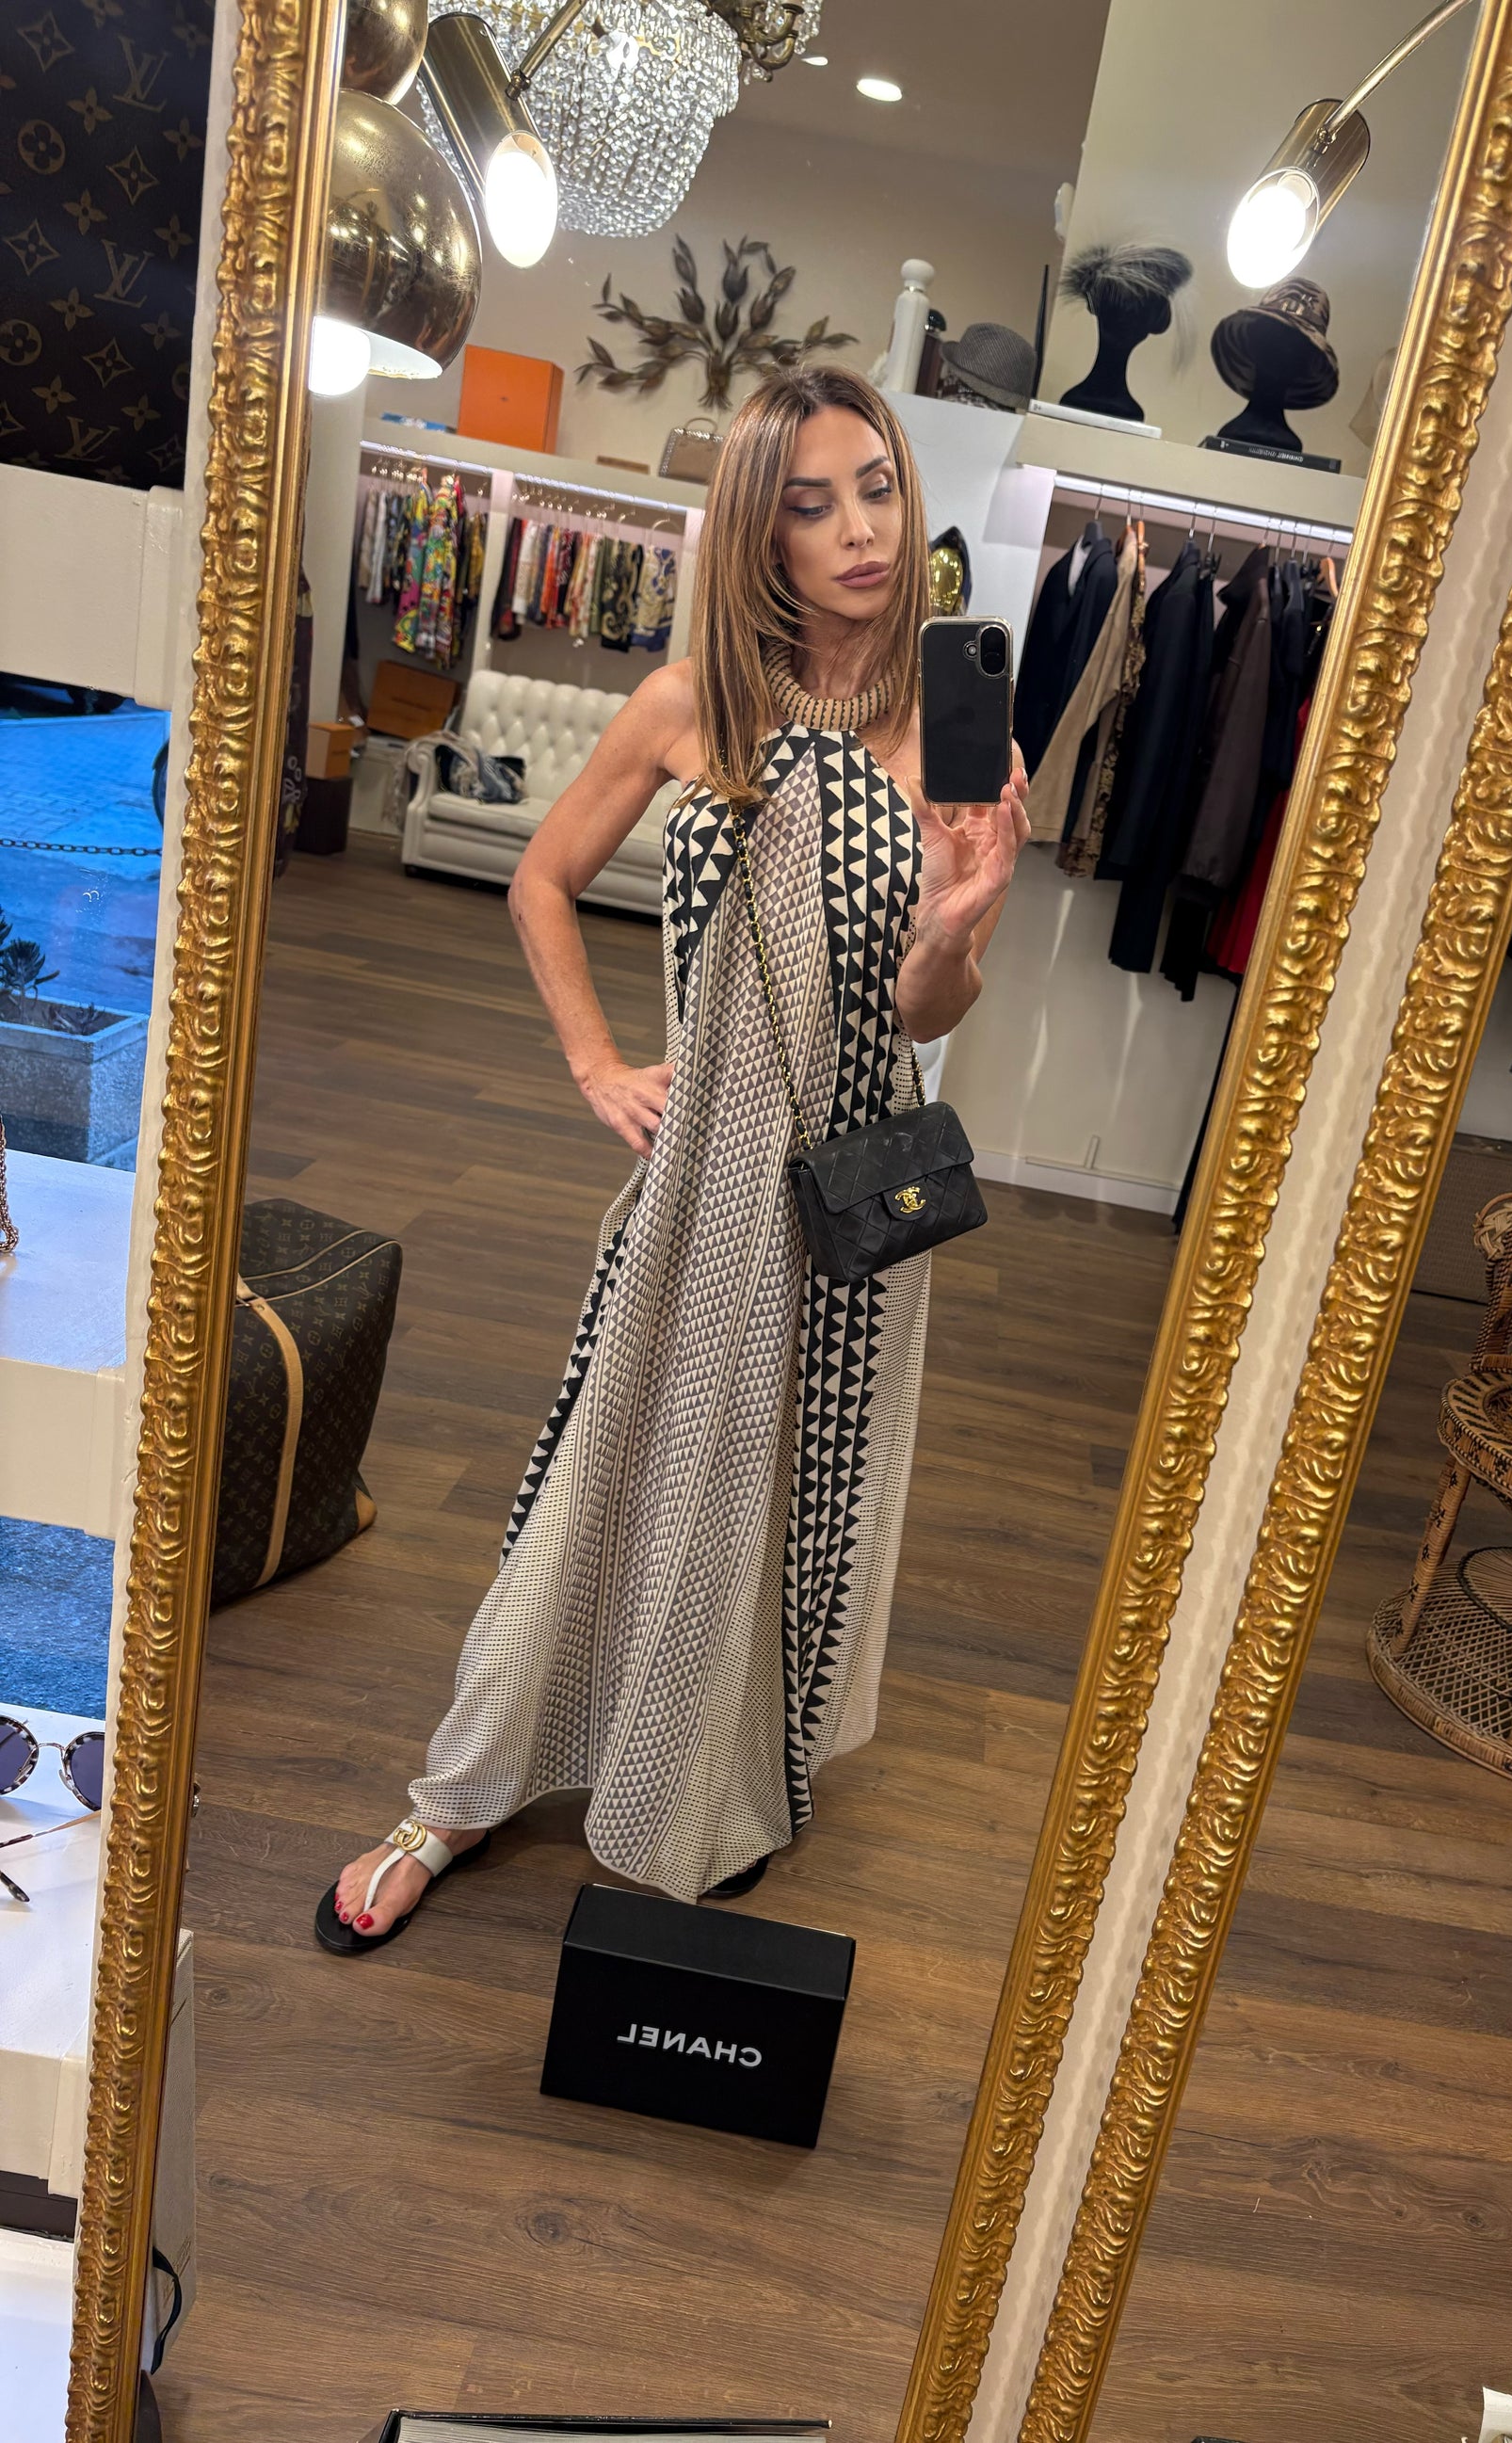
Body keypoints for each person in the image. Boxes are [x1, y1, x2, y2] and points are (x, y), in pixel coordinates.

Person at [318, 365, 1029, 1948]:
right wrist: (594, 1061)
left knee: (783, 1493)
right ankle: (465, 1786)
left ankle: (700, 1779)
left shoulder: (950, 734)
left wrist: (955, 924)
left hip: (851, 1197)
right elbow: (542, 880)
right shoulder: (688, 703)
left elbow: (928, 1013)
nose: (858, 531)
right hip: (703, 1173)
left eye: (876, 489)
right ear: (759, 534)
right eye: (810, 505)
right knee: (607, 1451)